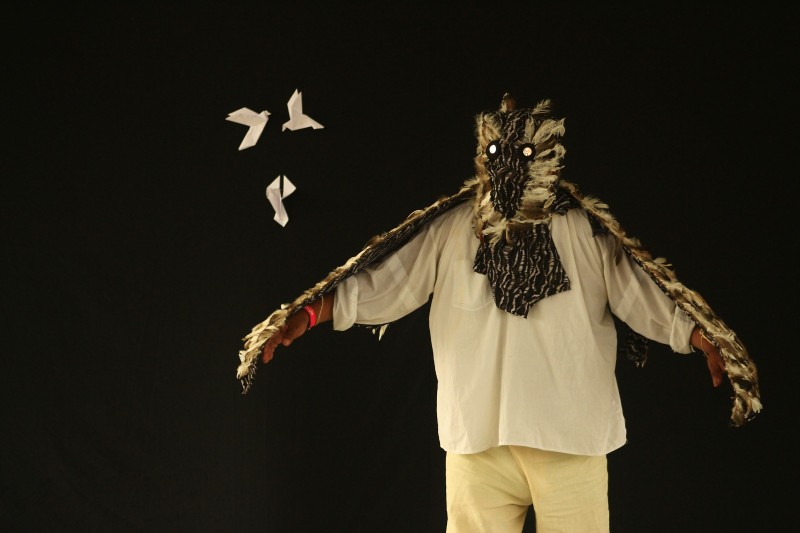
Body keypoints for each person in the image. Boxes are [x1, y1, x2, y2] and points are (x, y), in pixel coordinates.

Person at [249, 94, 757, 533]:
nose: (510, 165)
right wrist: (311, 313)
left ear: (549, 156)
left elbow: (640, 294)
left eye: (524, 153)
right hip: (477, 441)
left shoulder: (585, 232)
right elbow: (389, 282)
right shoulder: (451, 228)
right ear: (482, 154)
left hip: (570, 437)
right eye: (496, 153)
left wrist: (701, 337)